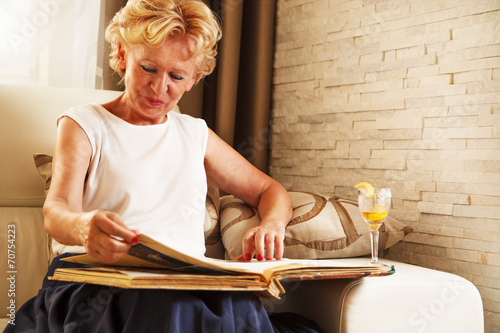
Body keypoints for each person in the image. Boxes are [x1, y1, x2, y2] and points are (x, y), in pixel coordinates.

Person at [4, 0, 322, 332]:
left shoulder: (195, 134)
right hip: (98, 283)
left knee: (235, 303)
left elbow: (269, 190)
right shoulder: (83, 123)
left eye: (177, 76)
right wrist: (84, 227)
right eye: (149, 68)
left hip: (186, 285)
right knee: (164, 306)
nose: (160, 88)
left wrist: (272, 224)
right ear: (124, 56)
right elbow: (56, 211)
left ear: (193, 78)